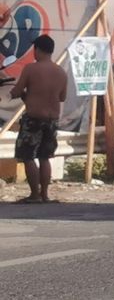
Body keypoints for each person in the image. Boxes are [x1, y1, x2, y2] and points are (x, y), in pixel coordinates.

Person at [11, 33, 66, 204]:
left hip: (34, 119)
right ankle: (45, 194)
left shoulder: (31, 69)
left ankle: (34, 194)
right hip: (52, 120)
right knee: (45, 157)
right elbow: (62, 97)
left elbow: (17, 91)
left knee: (27, 156)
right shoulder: (61, 72)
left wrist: (18, 93)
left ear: (38, 50)